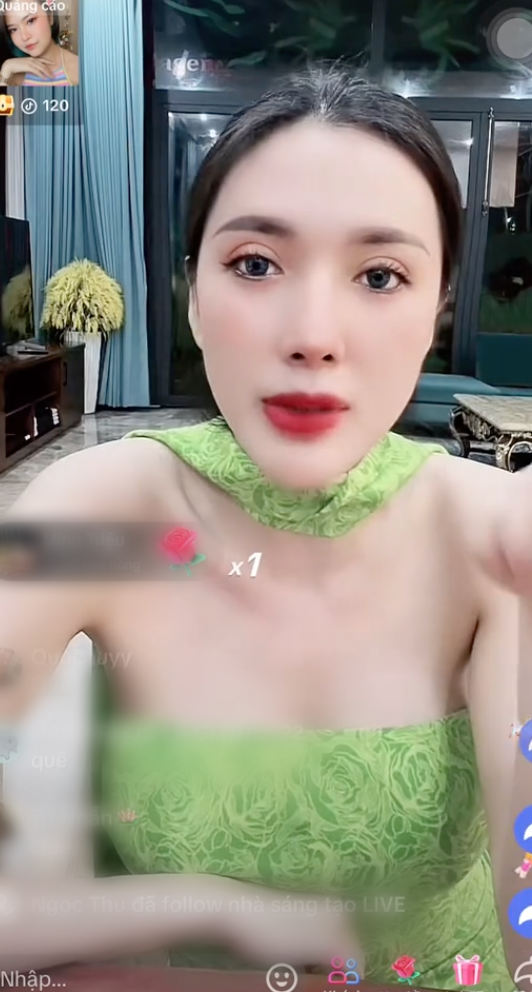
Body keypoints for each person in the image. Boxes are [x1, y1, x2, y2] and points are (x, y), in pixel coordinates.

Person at [0, 64, 529, 988]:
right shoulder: (97, 518)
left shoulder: (492, 538)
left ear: (437, 308)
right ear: (193, 298)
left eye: (380, 275)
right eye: (255, 264)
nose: (312, 334)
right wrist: (212, 906)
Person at [0, 1, 78, 87]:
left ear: (50, 17)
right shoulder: (12, 75)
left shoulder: (80, 69)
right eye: (13, 29)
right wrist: (6, 68)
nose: (24, 37)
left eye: (30, 21)